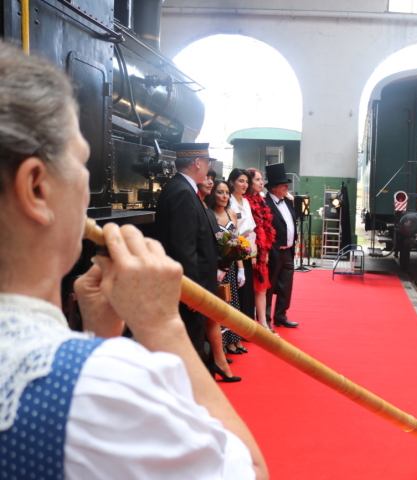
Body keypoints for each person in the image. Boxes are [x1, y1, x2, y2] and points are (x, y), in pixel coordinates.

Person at [0, 42, 267, 479]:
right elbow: (248, 470)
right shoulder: (100, 387)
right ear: (37, 188)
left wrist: (100, 337)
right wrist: (164, 328)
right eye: (82, 160)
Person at [155, 142, 221, 368]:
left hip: (189, 284)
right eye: (207, 162)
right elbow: (184, 246)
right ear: (197, 163)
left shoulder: (180, 187)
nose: (208, 167)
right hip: (190, 287)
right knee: (190, 343)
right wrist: (192, 291)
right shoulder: (183, 192)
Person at [209, 179, 248, 355]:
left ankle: (234, 339)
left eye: (226, 193)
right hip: (217, 267)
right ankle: (223, 343)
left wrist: (241, 269)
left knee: (233, 304)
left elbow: (236, 243)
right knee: (221, 304)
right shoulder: (208, 214)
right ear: (213, 194)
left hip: (231, 266)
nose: (224, 196)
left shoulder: (232, 213)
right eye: (220, 192)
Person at [265, 164, 299, 328]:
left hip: (288, 251)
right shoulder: (265, 204)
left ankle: (281, 315)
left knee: (286, 286)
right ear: (273, 188)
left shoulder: (287, 201)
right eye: (283, 185)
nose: (287, 187)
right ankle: (266, 319)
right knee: (269, 286)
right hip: (273, 251)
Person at [244, 167, 277, 334]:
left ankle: (263, 323)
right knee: (251, 288)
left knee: (262, 287)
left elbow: (266, 227)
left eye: (261, 179)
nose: (261, 182)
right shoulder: (244, 201)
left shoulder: (261, 200)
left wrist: (267, 250)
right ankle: (251, 325)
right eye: (257, 179)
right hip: (250, 249)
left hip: (263, 249)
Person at [228, 168, 257, 322]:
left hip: (247, 250)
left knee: (248, 292)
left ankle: (248, 327)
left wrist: (253, 252)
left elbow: (252, 229)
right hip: (234, 252)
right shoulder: (229, 201)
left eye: (246, 181)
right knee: (237, 291)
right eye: (241, 181)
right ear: (232, 182)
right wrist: (239, 265)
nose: (244, 184)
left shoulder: (245, 201)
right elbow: (233, 233)